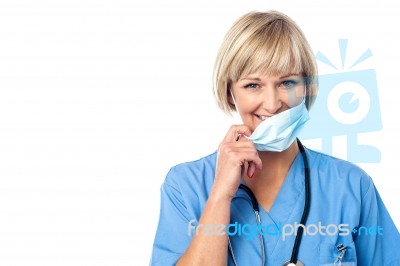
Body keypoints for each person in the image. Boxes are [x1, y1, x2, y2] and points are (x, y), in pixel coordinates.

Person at [150, 10, 400, 266]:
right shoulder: (185, 187)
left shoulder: (351, 186)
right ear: (229, 93)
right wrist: (220, 196)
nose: (272, 104)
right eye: (252, 85)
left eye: (287, 83)